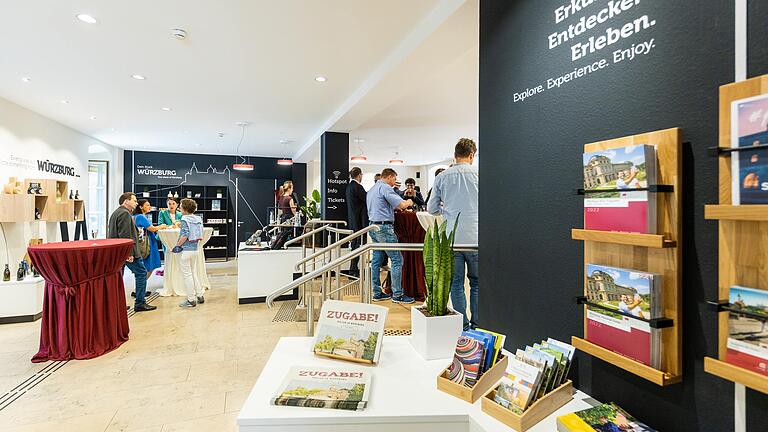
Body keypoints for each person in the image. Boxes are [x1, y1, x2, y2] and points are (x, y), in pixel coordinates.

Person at [428, 138, 479, 330]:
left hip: (452, 239)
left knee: (456, 284)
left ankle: (463, 326)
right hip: (476, 238)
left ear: (455, 155)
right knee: (477, 284)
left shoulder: (442, 177)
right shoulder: (481, 174)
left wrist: (447, 210)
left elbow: (432, 209)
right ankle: (477, 325)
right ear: (472, 155)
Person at [367, 168, 414, 303]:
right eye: (394, 179)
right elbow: (402, 204)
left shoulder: (372, 189)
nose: (394, 183)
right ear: (389, 177)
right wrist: (409, 201)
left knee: (376, 261)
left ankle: (377, 293)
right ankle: (398, 295)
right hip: (384, 228)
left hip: (373, 227)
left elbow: (382, 206)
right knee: (397, 259)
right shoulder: (386, 188)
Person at [108, 192, 157, 312]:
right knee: (141, 273)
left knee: (119, 277)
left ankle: (118, 305)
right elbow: (125, 235)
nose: (136, 203)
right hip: (127, 252)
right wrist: (129, 253)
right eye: (134, 201)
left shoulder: (116, 213)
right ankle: (140, 303)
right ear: (126, 201)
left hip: (118, 251)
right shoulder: (124, 214)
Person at [173, 198, 206, 308]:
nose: (179, 208)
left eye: (180, 206)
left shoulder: (184, 219)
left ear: (185, 209)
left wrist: (177, 245)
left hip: (186, 250)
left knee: (187, 275)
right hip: (195, 249)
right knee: (193, 272)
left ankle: (191, 300)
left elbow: (184, 235)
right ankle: (200, 295)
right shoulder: (198, 218)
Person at [134, 199, 168, 282]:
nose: (149, 207)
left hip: (143, 242)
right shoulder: (141, 216)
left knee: (146, 266)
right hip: (148, 244)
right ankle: (140, 287)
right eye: (147, 205)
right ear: (141, 207)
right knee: (149, 266)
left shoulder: (136, 216)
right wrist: (162, 226)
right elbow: (152, 229)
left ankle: (140, 287)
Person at [345, 167, 368, 277]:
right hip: (359, 222)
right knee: (357, 246)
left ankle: (353, 269)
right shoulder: (358, 187)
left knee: (355, 245)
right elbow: (367, 199)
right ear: (359, 175)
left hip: (353, 220)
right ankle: (353, 270)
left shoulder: (349, 187)